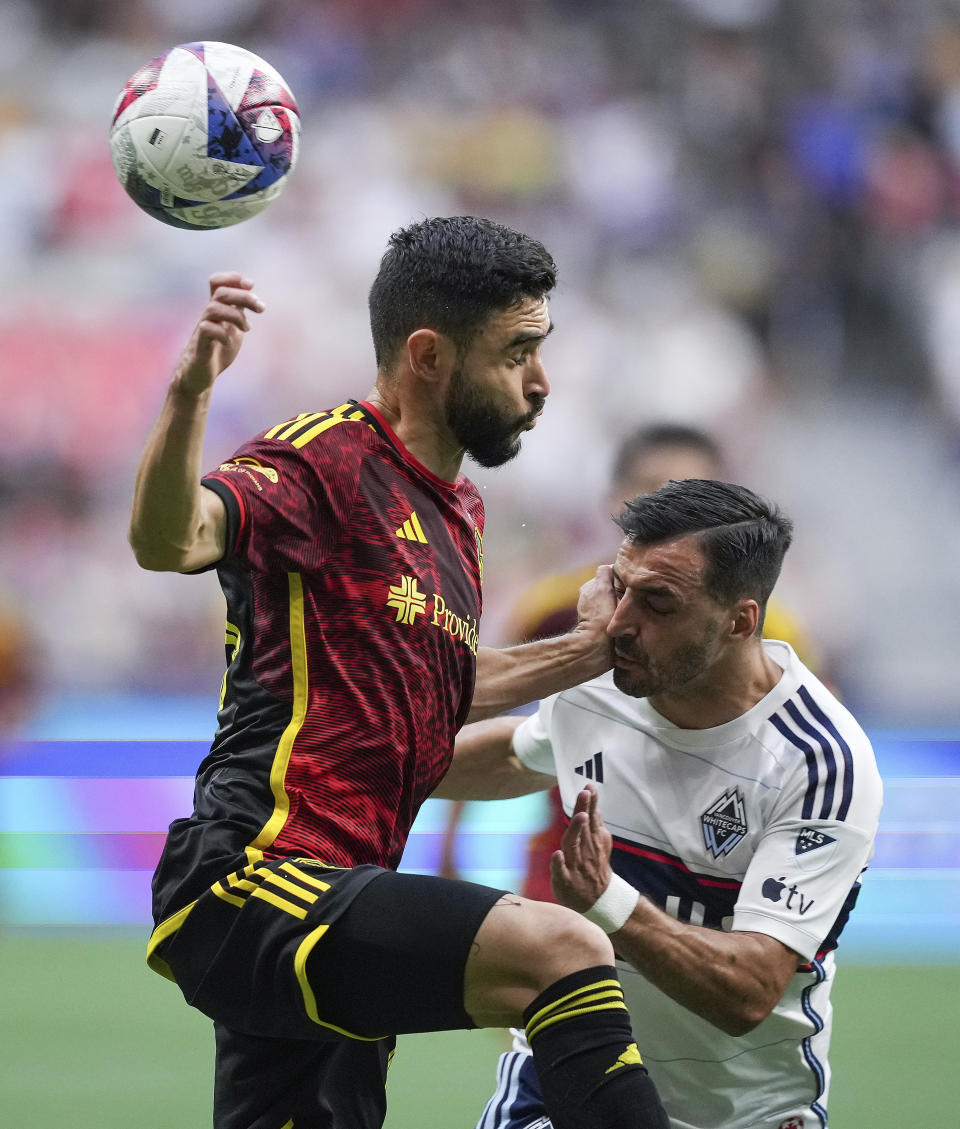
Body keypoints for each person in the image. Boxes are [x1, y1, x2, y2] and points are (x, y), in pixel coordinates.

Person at [128, 216, 668, 1129]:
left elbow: (431, 686)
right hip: (258, 876)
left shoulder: (458, 510)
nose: (542, 382)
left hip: (346, 891)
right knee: (564, 947)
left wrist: (589, 653)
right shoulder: (323, 458)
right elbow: (169, 539)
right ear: (428, 354)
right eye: (517, 352)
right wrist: (187, 398)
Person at [434, 477, 882, 1129]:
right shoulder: (600, 684)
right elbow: (520, 752)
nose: (617, 624)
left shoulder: (820, 759)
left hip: (739, 1110)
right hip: (572, 1068)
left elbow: (750, 989)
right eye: (620, 587)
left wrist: (608, 900)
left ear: (739, 620)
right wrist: (343, 765)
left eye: (658, 602)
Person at [438, 423, 813, 897]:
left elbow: (809, 741)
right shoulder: (551, 607)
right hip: (563, 866)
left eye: (697, 493)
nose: (674, 508)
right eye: (656, 488)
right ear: (618, 498)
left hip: (701, 879)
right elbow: (498, 717)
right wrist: (449, 844)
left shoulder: (769, 626)